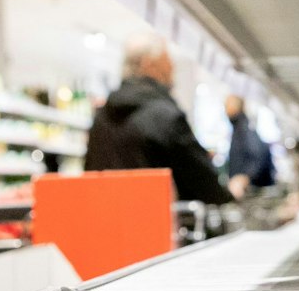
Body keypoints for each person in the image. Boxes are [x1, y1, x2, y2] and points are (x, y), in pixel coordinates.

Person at [84, 34, 237, 204]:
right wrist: (229, 196)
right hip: (160, 226)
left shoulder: (102, 117)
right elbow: (205, 185)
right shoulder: (166, 117)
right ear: (149, 65)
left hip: (109, 224)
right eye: (168, 63)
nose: (172, 71)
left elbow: (91, 177)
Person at [220, 95, 275, 194]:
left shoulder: (244, 128)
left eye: (226, 106)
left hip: (251, 189)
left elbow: (258, 155)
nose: (225, 110)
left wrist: (244, 177)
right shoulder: (239, 128)